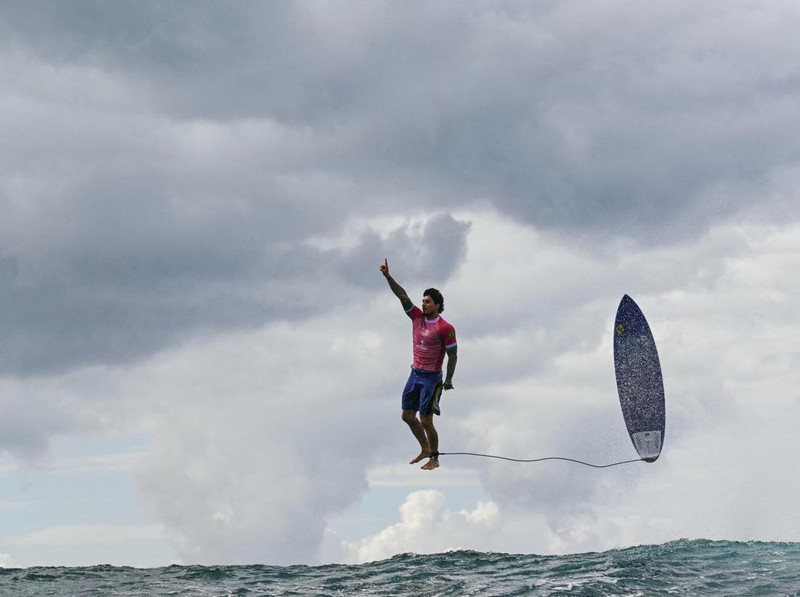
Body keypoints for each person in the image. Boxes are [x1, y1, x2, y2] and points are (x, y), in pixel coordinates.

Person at [379, 258, 457, 470]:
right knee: (407, 416)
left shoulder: (445, 327)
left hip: (432, 378)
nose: (423, 304)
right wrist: (388, 277)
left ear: (438, 305)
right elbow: (402, 295)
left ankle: (434, 457)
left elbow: (453, 355)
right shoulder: (416, 317)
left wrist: (448, 380)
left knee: (426, 419)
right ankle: (424, 448)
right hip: (415, 374)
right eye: (423, 301)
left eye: (428, 302)